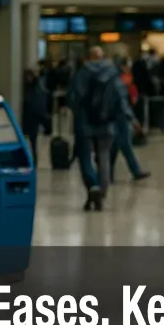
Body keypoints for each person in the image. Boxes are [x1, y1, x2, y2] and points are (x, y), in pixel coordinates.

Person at [69, 46, 125, 211]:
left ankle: (92, 187)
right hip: (106, 123)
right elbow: (120, 96)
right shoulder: (113, 73)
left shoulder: (82, 72)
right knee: (104, 157)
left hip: (84, 123)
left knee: (85, 157)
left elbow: (73, 98)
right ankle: (102, 191)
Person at [20, 68, 51, 157]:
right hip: (31, 115)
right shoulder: (38, 87)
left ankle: (33, 155)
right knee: (31, 138)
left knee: (32, 138)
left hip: (32, 115)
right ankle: (32, 155)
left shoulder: (35, 88)